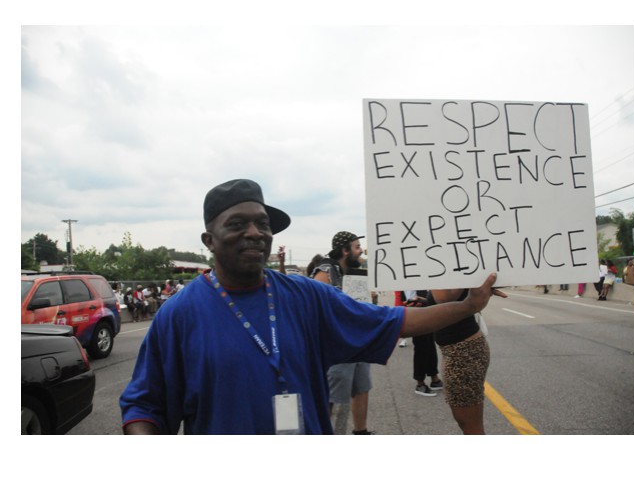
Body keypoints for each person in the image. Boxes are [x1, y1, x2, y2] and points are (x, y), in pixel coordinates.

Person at [119, 179, 505, 435]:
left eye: (262, 224)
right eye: (237, 224)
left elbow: (396, 321)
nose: (255, 233)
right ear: (209, 239)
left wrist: (468, 305)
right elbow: (144, 406)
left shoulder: (305, 296)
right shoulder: (179, 314)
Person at [310, 231, 375, 435]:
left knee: (361, 387)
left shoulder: (353, 272)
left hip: (357, 341)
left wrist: (368, 298)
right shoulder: (326, 270)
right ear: (345, 250)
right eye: (356, 247)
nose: (360, 251)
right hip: (336, 344)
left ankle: (361, 431)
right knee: (330, 395)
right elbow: (314, 305)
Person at [431, 288, 490, 434]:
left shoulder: (454, 271)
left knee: (471, 426)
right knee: (465, 423)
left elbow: (443, 298)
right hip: (458, 350)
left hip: (463, 351)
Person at [403, 290, 444, 396]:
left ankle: (434, 378)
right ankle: (420, 383)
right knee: (421, 346)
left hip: (426, 305)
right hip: (416, 309)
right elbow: (410, 298)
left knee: (429, 344)